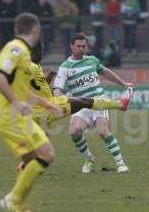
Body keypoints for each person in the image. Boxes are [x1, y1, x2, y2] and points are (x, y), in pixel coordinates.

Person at [0, 12, 63, 212]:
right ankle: (12, 200)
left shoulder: (21, 53)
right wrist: (15, 102)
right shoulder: (17, 49)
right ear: (36, 30)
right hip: (9, 115)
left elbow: (22, 90)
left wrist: (47, 103)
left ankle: (18, 204)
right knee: (47, 154)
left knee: (31, 158)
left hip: (14, 115)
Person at [53, 33, 134, 173]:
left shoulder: (92, 60)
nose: (81, 48)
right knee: (74, 131)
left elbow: (106, 72)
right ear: (71, 46)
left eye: (84, 46)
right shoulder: (65, 67)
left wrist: (123, 83)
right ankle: (89, 158)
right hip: (80, 104)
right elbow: (57, 89)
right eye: (78, 46)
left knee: (103, 131)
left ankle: (121, 164)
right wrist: (59, 100)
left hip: (98, 102)